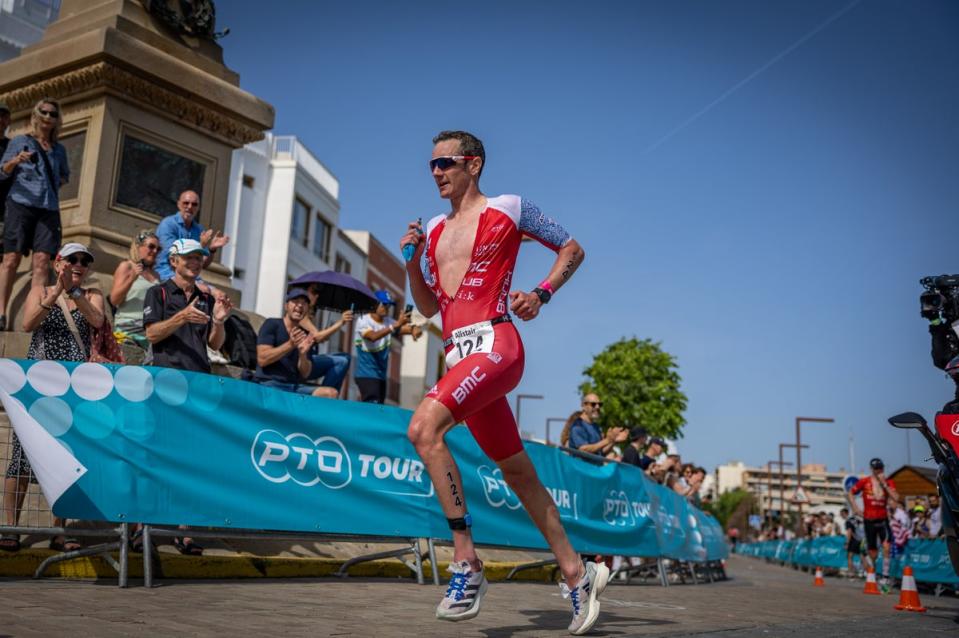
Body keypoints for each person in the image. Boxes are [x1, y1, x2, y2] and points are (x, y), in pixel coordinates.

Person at [400, 130, 604, 635]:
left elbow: (573, 249)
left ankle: (466, 562)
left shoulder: (510, 208)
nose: (435, 172)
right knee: (517, 474)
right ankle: (578, 573)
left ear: (473, 164)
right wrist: (410, 261)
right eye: (430, 165)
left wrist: (542, 292)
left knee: (424, 429)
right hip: (458, 358)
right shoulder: (432, 229)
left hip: (497, 347)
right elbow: (428, 307)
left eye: (445, 162)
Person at [1, 243, 104, 553]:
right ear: (59, 262)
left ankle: (59, 529)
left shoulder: (91, 294)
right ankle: (11, 527)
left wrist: (73, 293)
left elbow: (97, 321)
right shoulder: (42, 290)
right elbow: (28, 323)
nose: (79, 265)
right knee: (20, 458)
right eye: (73, 259)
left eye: (84, 261)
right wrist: (57, 290)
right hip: (38, 388)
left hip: (73, 389)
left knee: (66, 458)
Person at [0, 98, 70, 331]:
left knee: (42, 262)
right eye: (44, 112)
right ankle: (0, 312)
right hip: (21, 203)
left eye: (53, 113)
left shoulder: (59, 149)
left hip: (48, 208)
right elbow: (2, 171)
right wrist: (16, 160)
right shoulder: (20, 141)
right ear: (36, 114)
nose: (48, 117)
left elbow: (64, 177)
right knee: (11, 259)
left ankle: (33, 313)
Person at [143, 238, 231, 374]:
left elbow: (214, 344)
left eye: (198, 258)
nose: (195, 262)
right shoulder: (157, 292)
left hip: (199, 378)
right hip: (166, 375)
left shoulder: (206, 298)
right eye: (189, 257)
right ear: (173, 261)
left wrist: (219, 321)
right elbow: (151, 335)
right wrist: (183, 316)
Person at [254, 288, 349, 398]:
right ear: (286, 306)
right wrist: (290, 344)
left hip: (293, 386)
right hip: (270, 383)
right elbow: (262, 359)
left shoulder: (305, 334)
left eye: (304, 303)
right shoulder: (272, 324)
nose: (300, 305)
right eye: (295, 301)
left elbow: (305, 373)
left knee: (331, 393)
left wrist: (302, 354)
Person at [353, 290, 418, 403]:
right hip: (366, 374)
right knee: (372, 409)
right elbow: (372, 336)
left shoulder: (388, 322)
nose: (387, 308)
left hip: (381, 377)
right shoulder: (363, 320)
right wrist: (396, 325)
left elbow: (405, 329)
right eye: (384, 305)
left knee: (378, 410)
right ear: (375, 304)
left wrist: (414, 329)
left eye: (389, 305)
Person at [848, 457, 899, 593]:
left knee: (887, 546)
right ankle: (874, 574)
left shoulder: (888, 482)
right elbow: (851, 492)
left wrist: (884, 485)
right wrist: (855, 507)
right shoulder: (864, 482)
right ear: (872, 469)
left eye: (880, 468)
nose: (878, 471)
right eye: (876, 469)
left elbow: (896, 498)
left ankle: (886, 577)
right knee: (873, 552)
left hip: (883, 519)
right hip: (869, 519)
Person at [154, 190, 229, 282]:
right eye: (186, 203)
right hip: (166, 273)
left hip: (191, 277)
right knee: (204, 290)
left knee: (220, 295)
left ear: (198, 208)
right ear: (178, 204)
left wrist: (212, 249)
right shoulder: (168, 224)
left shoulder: (199, 229)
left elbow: (203, 264)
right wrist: (200, 246)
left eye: (194, 204)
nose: (190, 207)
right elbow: (175, 257)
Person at [110, 229, 161, 347]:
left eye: (158, 249)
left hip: (149, 330)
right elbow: (114, 300)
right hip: (128, 329)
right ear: (138, 246)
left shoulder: (156, 275)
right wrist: (133, 277)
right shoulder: (126, 266)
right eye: (151, 246)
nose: (155, 251)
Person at [841, 507, 865, 578]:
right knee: (862, 556)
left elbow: (849, 531)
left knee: (849, 556)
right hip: (862, 539)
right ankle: (864, 572)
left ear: (846, 513)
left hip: (854, 540)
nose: (841, 516)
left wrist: (847, 542)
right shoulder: (858, 519)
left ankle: (851, 572)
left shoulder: (849, 521)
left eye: (842, 514)